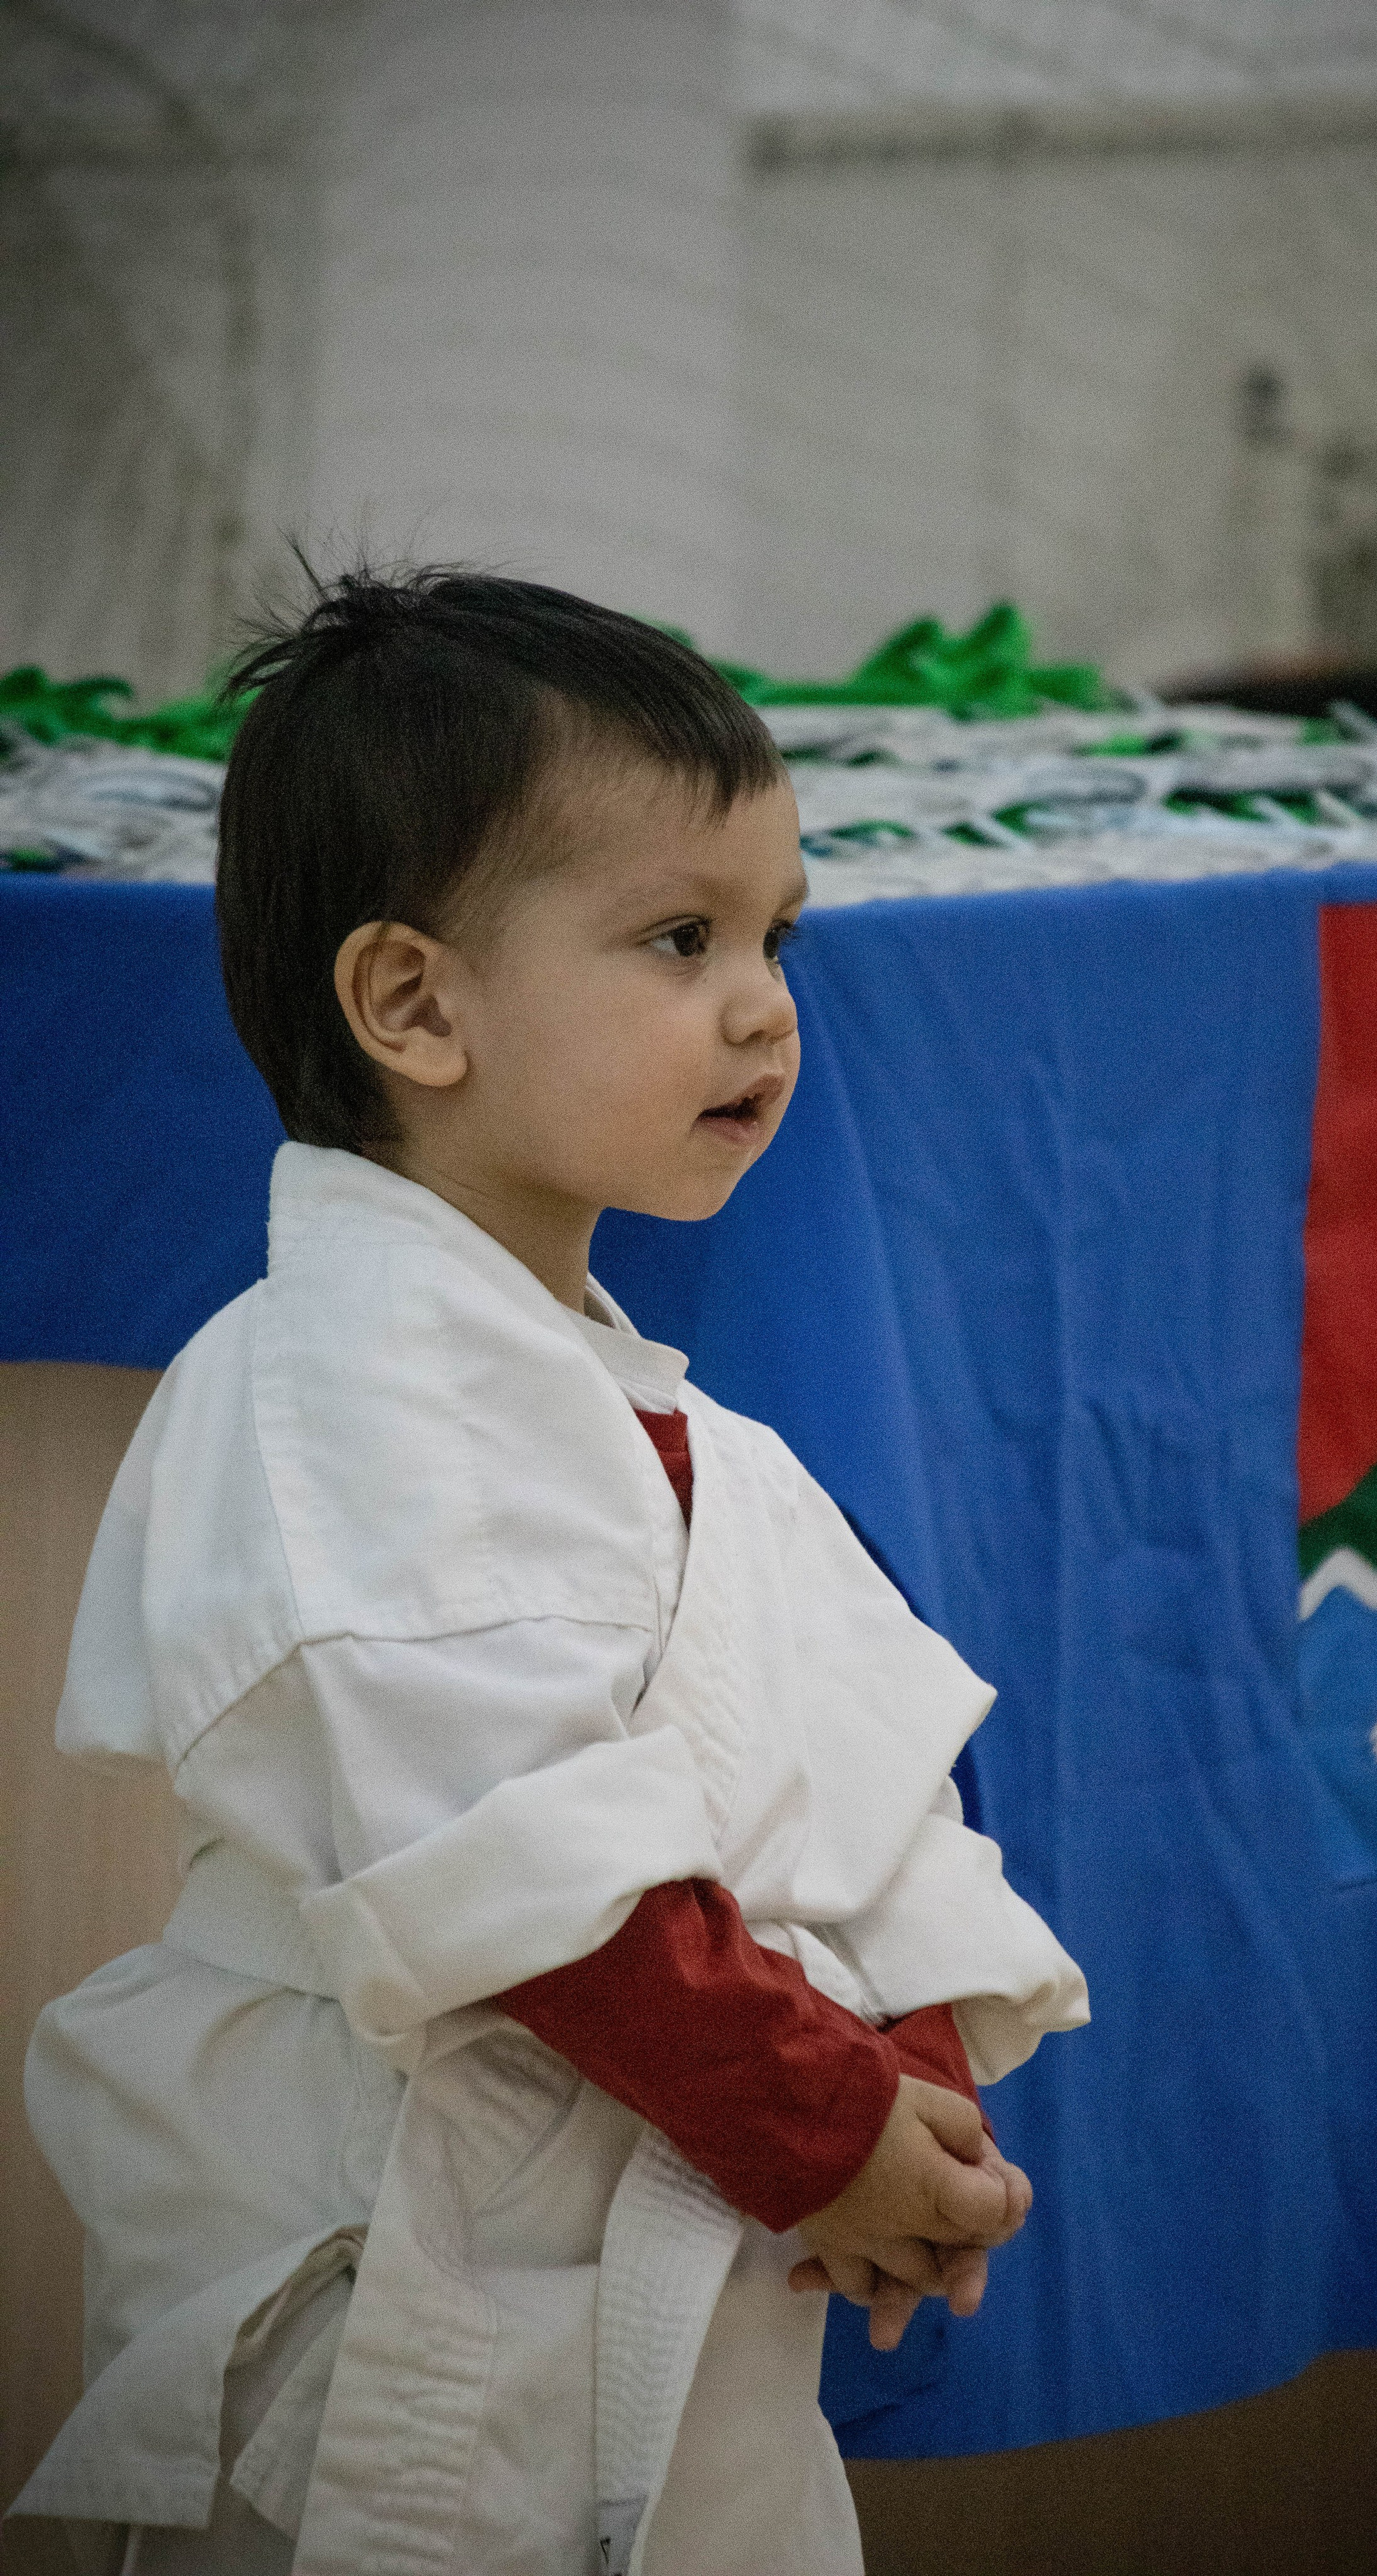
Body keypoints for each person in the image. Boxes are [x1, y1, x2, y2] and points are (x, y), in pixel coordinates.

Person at [9, 571, 1089, 2576]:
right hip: (409, 2313)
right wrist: (823, 2127)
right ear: (414, 1002)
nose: (764, 1001)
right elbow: (530, 1867)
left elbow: (862, 1807)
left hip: (703, 2287)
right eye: (681, 939)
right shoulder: (324, 1397)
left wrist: (902, 2096)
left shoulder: (701, 1446)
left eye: (779, 934)